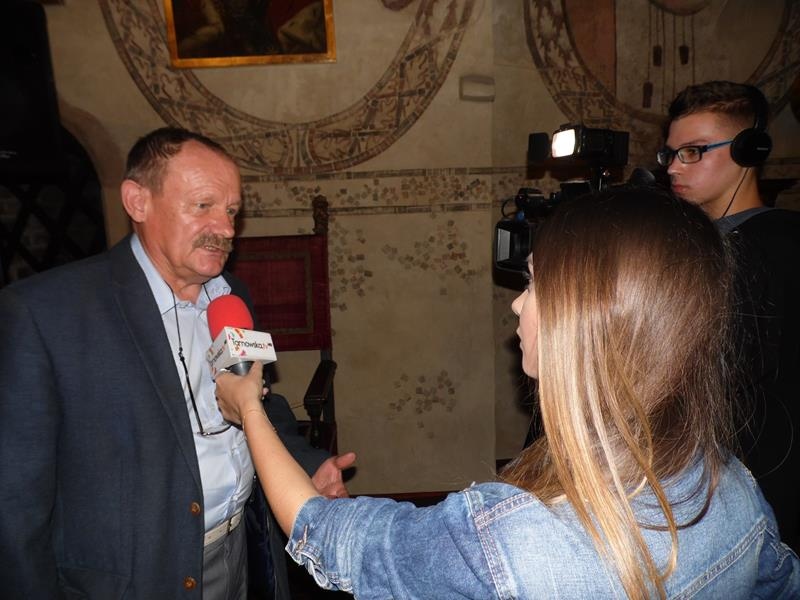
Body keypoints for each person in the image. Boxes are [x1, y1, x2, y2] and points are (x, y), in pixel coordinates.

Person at [217, 186, 800, 598]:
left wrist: (249, 406)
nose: (518, 304)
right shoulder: (732, 484)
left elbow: (320, 530)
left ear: (589, 320)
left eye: (535, 283)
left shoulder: (513, 537)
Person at [0, 127, 355, 599]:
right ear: (138, 201)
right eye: (203, 205)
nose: (226, 228)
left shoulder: (231, 297)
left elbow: (258, 403)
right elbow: (15, 503)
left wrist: (306, 462)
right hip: (133, 580)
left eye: (232, 211)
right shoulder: (46, 314)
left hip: (241, 550)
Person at [662, 80, 800, 552]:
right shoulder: (722, 244)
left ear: (748, 150)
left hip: (758, 496)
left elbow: (715, 379)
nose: (674, 167)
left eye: (694, 152)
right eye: (671, 153)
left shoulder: (760, 250)